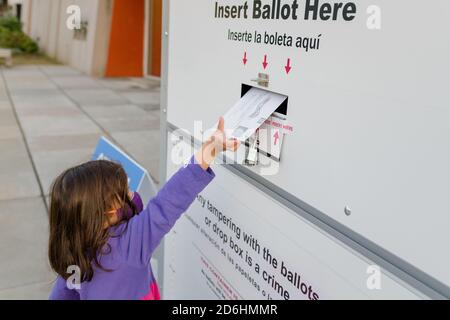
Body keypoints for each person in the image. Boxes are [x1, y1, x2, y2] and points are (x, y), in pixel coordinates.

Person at [48, 118, 239, 300]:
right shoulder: (130, 243)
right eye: (124, 192)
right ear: (108, 211)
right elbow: (169, 201)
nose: (131, 193)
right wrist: (210, 149)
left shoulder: (74, 252)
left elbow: (62, 295)